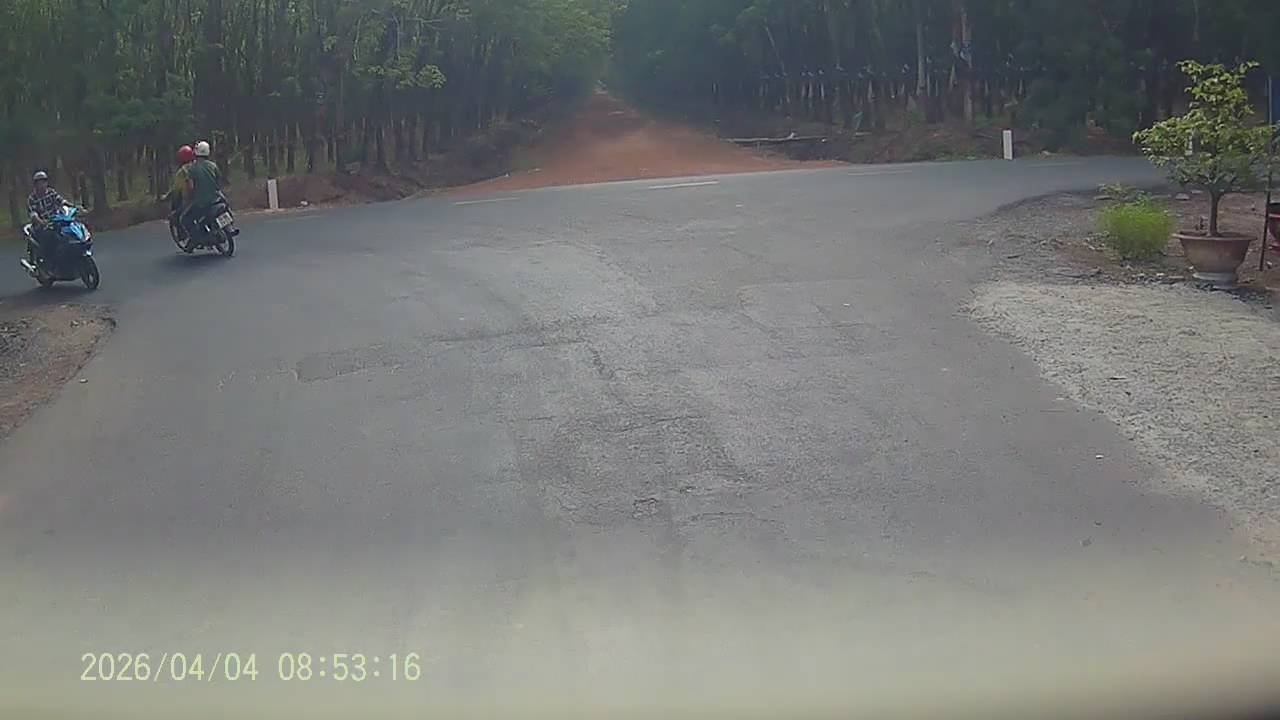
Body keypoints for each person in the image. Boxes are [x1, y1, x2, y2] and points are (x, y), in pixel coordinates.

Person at [26, 171, 71, 262]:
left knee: (68, 233)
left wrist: (73, 207)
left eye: (44, 182)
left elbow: (61, 201)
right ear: (35, 185)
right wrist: (41, 222)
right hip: (42, 226)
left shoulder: (51, 192)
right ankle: (48, 261)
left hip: (56, 222)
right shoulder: (32, 198)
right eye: (39, 183)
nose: (42, 185)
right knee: (50, 237)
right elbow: (33, 214)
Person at [181, 140, 222, 238]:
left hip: (201, 203)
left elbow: (190, 187)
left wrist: (188, 198)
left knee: (185, 219)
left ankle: (198, 238)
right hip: (216, 199)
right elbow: (218, 181)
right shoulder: (213, 166)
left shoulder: (192, 169)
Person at [169, 145, 196, 245]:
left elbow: (176, 189)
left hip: (190, 201)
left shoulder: (182, 172)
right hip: (205, 197)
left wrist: (169, 196)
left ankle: (188, 237)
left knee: (177, 216)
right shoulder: (198, 166)